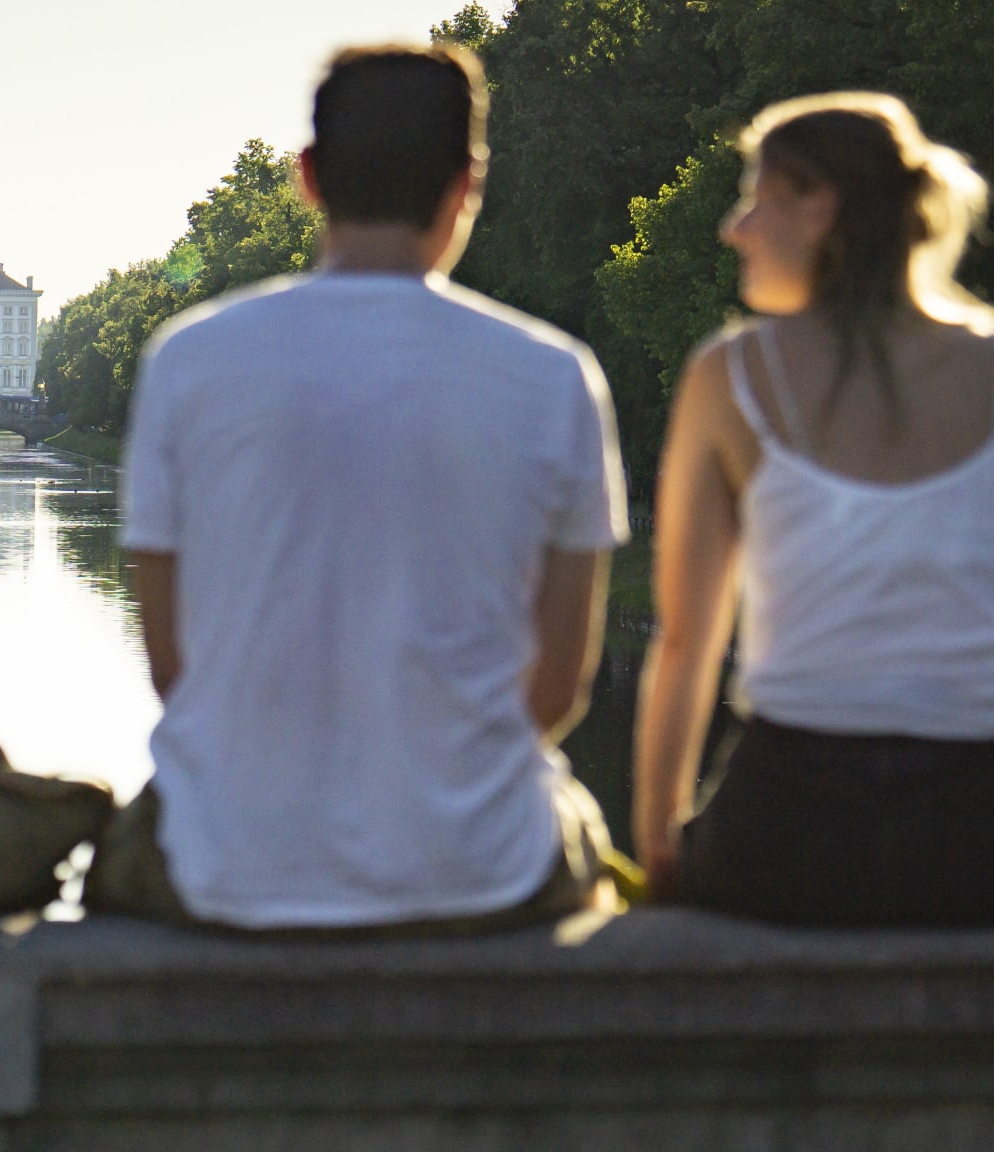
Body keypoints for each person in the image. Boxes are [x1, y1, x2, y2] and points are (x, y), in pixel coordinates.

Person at [90, 43, 629, 935]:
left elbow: (174, 667)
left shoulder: (188, 358)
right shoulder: (555, 375)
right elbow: (558, 687)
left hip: (228, 862)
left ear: (307, 178)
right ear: (468, 184)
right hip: (479, 865)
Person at [632, 92, 994, 927]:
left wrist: (658, 850)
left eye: (756, 197)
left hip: (790, 833)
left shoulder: (730, 375)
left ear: (819, 207)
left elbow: (687, 642)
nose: (733, 228)